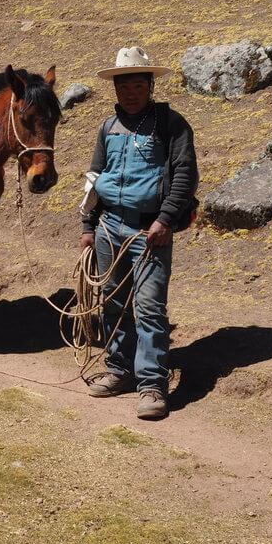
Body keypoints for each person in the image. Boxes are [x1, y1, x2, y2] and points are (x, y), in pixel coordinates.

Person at [78, 46, 198, 420]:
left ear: (149, 85)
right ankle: (119, 370)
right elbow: (95, 178)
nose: (130, 92)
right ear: (115, 89)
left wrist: (164, 219)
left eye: (137, 85)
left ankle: (152, 384)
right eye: (123, 86)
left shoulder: (171, 124)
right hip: (108, 226)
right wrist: (87, 225)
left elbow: (184, 175)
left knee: (148, 307)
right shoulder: (107, 127)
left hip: (150, 230)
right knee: (112, 301)